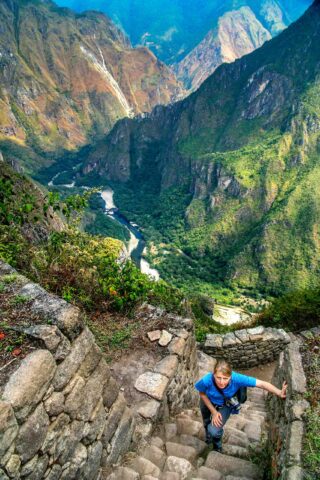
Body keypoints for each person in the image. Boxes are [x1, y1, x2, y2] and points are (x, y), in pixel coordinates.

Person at [195, 359, 287, 452]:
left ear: (230, 376)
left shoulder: (237, 378)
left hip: (225, 404)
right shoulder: (207, 380)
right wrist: (213, 411)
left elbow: (262, 384)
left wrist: (279, 392)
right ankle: (208, 438)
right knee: (206, 421)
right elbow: (202, 393)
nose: (221, 382)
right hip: (208, 401)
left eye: (225, 378)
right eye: (218, 377)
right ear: (213, 374)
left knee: (214, 430)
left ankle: (217, 445)